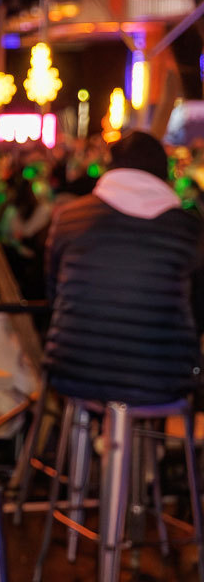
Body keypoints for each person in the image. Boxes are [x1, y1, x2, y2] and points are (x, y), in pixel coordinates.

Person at [45, 131, 204, 404]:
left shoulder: (70, 218)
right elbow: (198, 308)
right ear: (162, 174)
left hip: (72, 368)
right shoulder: (189, 229)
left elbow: (53, 292)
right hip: (162, 377)